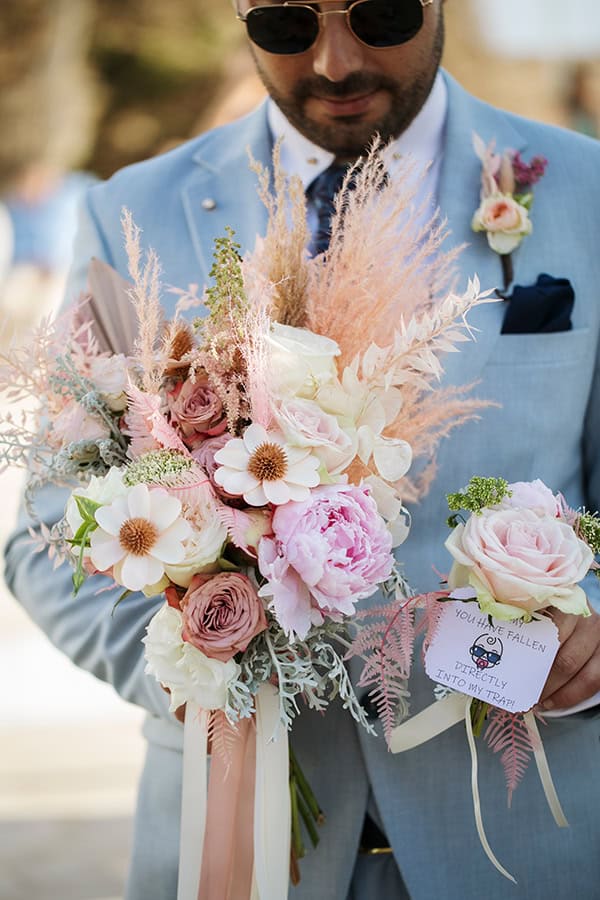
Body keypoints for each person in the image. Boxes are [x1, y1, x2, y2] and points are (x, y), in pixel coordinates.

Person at [6, 2, 600, 898]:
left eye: (382, 14)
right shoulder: (133, 210)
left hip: (517, 832)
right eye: (287, 22)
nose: (334, 61)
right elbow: (47, 535)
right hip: (240, 840)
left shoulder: (588, 194)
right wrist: (200, 660)